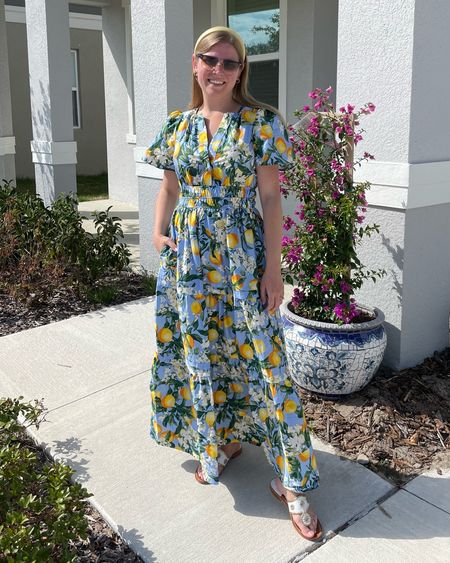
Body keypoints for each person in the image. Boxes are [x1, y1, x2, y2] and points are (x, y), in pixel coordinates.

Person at [143, 26, 322, 541]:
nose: (218, 70)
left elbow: (270, 199)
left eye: (229, 63)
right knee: (202, 351)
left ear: (242, 71)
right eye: (209, 60)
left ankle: (292, 481)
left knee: (265, 362)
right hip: (190, 259)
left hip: (242, 258)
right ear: (194, 65)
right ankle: (218, 441)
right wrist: (157, 233)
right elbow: (170, 185)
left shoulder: (260, 123)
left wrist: (273, 267)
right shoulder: (176, 126)